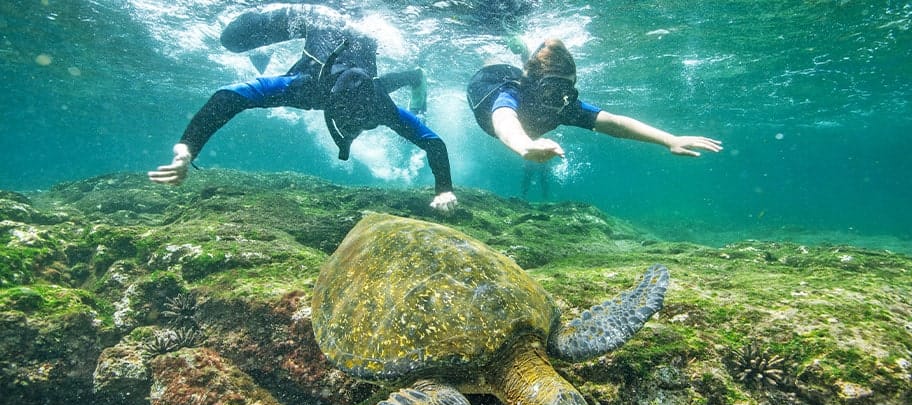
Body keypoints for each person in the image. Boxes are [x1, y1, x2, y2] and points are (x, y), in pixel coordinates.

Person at [149, 5, 458, 212]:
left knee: (388, 65)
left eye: (363, 121)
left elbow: (434, 143)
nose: (356, 125)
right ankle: (260, 53)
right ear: (331, 106)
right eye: (355, 121)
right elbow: (228, 97)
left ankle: (416, 77)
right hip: (321, 31)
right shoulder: (308, 88)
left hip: (353, 45)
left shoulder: (380, 103)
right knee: (230, 40)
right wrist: (186, 150)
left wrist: (444, 189)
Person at [467, 38, 722, 167]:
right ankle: (503, 50)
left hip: (525, 74)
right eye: (552, 91)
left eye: (567, 90)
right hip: (489, 78)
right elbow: (503, 120)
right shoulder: (513, 94)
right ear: (533, 85)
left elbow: (616, 124)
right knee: (491, 61)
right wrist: (524, 146)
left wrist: (670, 140)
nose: (560, 101)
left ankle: (524, 51)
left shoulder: (565, 105)